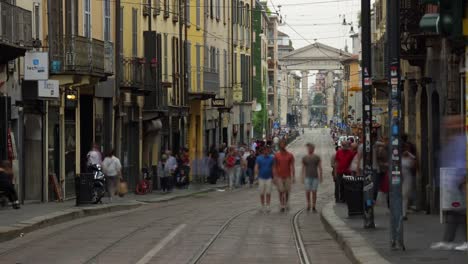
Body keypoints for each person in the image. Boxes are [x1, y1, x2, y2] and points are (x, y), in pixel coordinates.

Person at [431, 115, 467, 251]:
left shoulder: (463, 140)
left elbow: (462, 160)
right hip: (453, 182)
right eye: (448, 125)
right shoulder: (451, 140)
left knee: (460, 211)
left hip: (460, 181)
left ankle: (455, 240)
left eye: (453, 124)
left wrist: (462, 177)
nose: (449, 127)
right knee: (456, 211)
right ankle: (448, 240)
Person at [274, 140, 295, 212]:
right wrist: (275, 176)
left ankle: (286, 202)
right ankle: (282, 204)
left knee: (286, 191)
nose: (282, 146)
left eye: (283, 144)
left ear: (285, 145)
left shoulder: (290, 155)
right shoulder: (276, 155)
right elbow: (275, 166)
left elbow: (292, 166)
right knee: (280, 191)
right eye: (281, 144)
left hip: (288, 176)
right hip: (279, 176)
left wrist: (293, 176)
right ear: (279, 146)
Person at [302, 143, 322, 212]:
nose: (310, 149)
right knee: (307, 191)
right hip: (307, 176)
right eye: (309, 148)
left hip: (315, 176)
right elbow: (303, 167)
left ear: (313, 149)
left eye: (311, 148)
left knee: (314, 192)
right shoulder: (305, 157)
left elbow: (320, 167)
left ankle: (314, 205)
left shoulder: (317, 157)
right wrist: (302, 176)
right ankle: (308, 204)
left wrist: (321, 176)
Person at [255, 146, 274, 212]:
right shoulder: (259, 158)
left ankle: (268, 206)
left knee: (268, 192)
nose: (266, 151)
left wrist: (274, 177)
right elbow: (256, 167)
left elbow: (273, 167)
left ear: (268, 151)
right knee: (262, 193)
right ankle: (262, 206)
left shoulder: (271, 158)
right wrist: (257, 176)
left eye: (267, 150)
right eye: (265, 150)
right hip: (261, 177)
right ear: (263, 151)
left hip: (269, 177)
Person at [401, 143, 416, 220]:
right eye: (405, 148)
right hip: (400, 179)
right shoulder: (399, 157)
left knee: (404, 196)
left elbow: (414, 165)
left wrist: (410, 154)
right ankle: (400, 212)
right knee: (400, 196)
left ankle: (404, 214)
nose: (406, 149)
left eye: (408, 148)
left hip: (407, 178)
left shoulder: (410, 157)